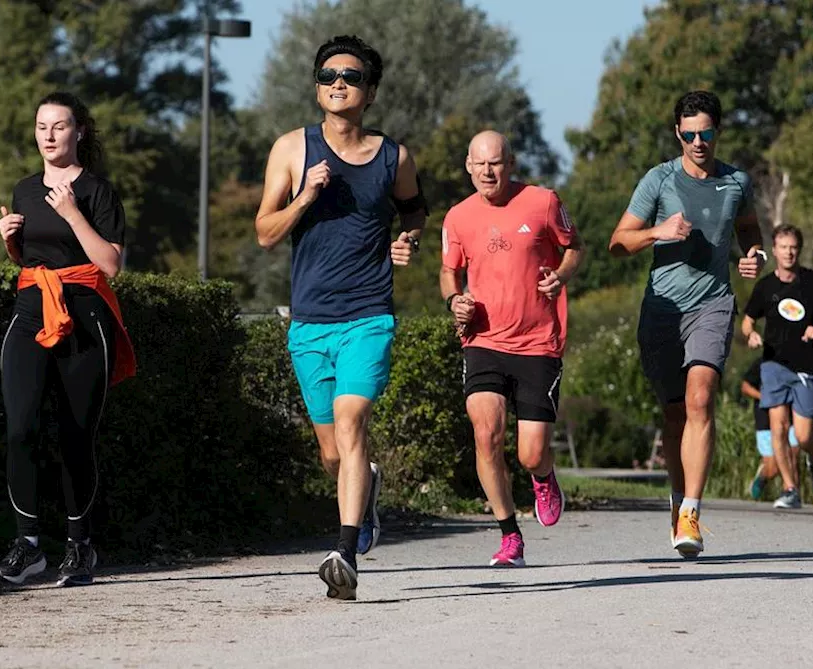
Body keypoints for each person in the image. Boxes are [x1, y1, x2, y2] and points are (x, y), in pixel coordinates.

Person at [254, 35, 426, 600]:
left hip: (368, 315)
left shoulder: (392, 157)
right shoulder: (291, 150)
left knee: (352, 423)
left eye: (350, 76)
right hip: (309, 321)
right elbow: (264, 233)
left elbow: (414, 209)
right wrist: (304, 198)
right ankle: (365, 490)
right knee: (333, 453)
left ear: (370, 91)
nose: (337, 84)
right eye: (328, 75)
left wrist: (410, 240)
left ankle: (346, 553)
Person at [608, 90, 765, 558]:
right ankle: (678, 499)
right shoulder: (659, 181)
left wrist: (753, 255)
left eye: (707, 133)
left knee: (701, 398)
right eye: (690, 134)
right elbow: (618, 242)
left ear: (719, 131)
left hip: (712, 304)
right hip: (662, 310)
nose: (699, 141)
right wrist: (658, 231)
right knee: (675, 413)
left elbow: (750, 230)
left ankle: (693, 510)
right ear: (678, 133)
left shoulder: (737, 182)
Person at [0, 91, 136, 588]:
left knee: (76, 435)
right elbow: (28, 259)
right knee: (20, 429)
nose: (48, 136)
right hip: (31, 310)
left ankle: (80, 545)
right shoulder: (25, 189)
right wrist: (10, 239)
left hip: (84, 315)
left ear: (79, 133)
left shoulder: (97, 191)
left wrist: (74, 214)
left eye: (58, 126)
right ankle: (28, 546)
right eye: (41, 127)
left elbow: (111, 264)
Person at [441, 130, 583, 567]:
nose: (488, 171)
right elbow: (450, 272)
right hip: (483, 339)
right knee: (486, 435)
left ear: (511, 163)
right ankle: (509, 535)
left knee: (530, 452)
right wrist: (454, 300)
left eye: (496, 163)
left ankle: (543, 476)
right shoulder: (458, 217)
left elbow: (574, 248)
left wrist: (561, 274)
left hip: (538, 342)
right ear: (468, 166)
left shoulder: (543, 202)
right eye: (480, 163)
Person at [741, 224, 813, 510]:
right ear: (774, 250)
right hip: (773, 364)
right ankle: (790, 488)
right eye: (783, 247)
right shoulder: (765, 287)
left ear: (800, 249)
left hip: (807, 365)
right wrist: (751, 334)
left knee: (805, 434)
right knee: (778, 429)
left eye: (793, 247)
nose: (789, 252)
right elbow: (747, 320)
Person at [739, 357, 798, 501]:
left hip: (787, 418)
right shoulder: (761, 363)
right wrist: (766, 397)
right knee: (773, 468)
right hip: (764, 420)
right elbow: (745, 387)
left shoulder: (794, 362)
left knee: (793, 456)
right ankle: (763, 475)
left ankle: (791, 493)